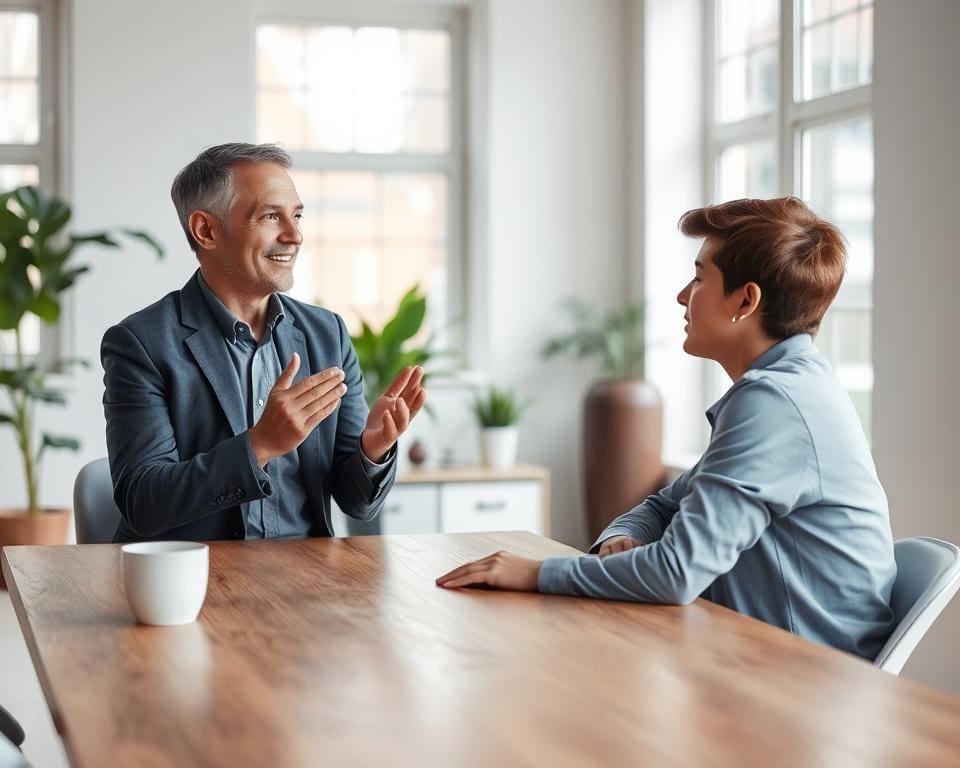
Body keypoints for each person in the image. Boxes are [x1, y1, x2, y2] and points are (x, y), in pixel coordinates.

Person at [437, 197, 896, 660]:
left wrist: (535, 573)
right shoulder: (793, 386)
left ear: (745, 300)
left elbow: (676, 573)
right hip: (758, 658)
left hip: (810, 682)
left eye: (699, 278)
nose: (683, 295)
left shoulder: (774, 402)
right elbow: (664, 504)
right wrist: (625, 536)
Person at [102, 143, 426, 543]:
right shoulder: (141, 343)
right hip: (193, 583)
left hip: (304, 585)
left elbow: (356, 503)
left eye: (297, 215)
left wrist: (371, 450)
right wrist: (260, 445)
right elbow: (143, 502)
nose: (295, 235)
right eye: (271, 216)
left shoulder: (327, 334)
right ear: (206, 230)